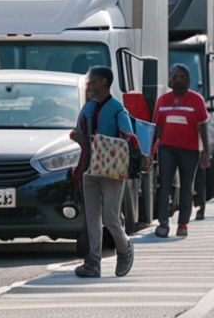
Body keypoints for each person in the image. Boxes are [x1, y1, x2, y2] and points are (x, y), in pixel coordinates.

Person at [71, 66, 138, 278]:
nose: (89, 86)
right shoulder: (88, 108)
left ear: (105, 84)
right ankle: (93, 263)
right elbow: (80, 133)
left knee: (110, 217)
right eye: (88, 82)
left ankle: (125, 248)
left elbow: (129, 141)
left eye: (93, 82)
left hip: (112, 170)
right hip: (90, 169)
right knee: (92, 218)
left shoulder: (118, 110)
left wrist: (99, 141)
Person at [153, 64, 209, 237]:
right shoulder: (162, 100)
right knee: (165, 185)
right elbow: (157, 128)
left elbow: (203, 128)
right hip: (167, 149)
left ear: (188, 80)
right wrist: (150, 150)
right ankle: (163, 223)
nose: (176, 79)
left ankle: (183, 224)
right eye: (173, 76)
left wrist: (205, 152)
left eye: (180, 77)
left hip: (189, 150)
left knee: (186, 186)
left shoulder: (196, 100)